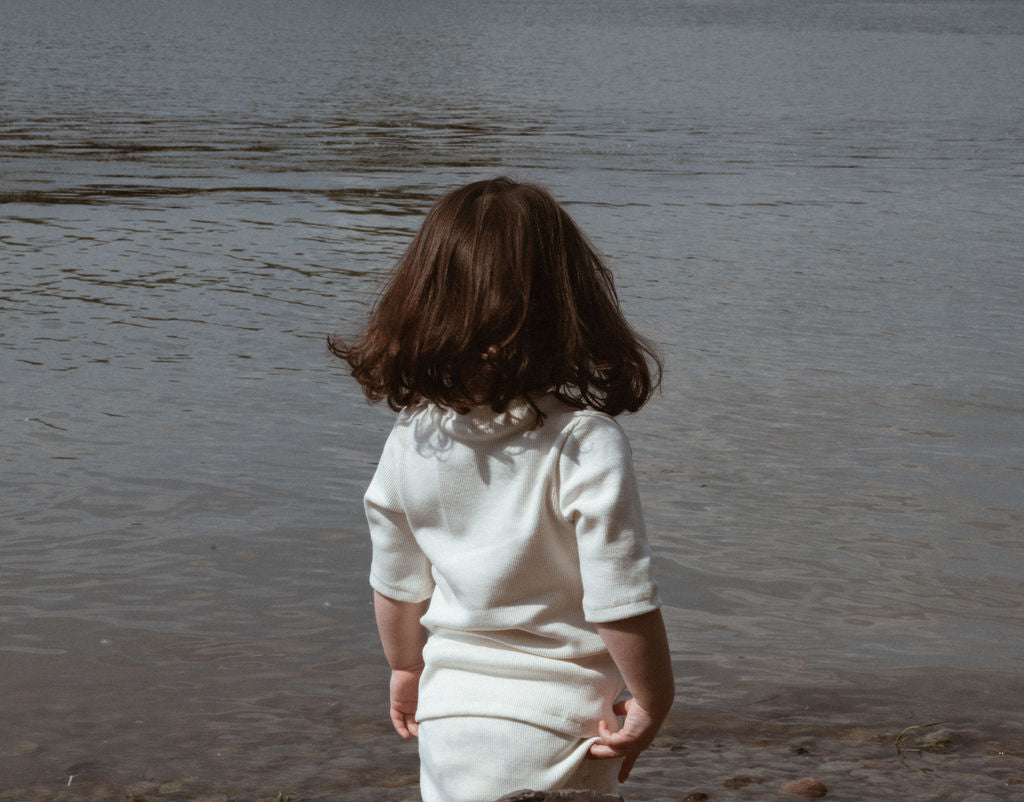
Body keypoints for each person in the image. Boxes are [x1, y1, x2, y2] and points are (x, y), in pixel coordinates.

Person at [330, 177, 674, 801]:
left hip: (450, 717)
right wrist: (653, 700)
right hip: (562, 725)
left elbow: (397, 584)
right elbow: (619, 598)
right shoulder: (582, 442)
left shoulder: (413, 440)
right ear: (571, 303)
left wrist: (407, 669)